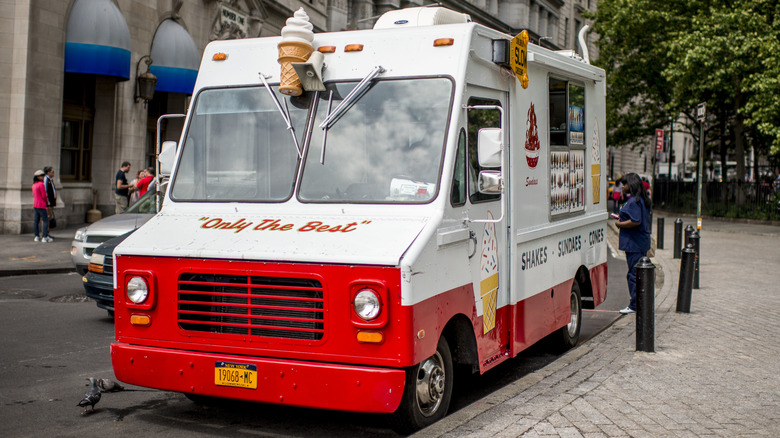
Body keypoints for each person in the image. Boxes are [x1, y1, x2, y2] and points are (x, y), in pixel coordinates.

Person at [614, 173, 651, 314]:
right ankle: (641, 302)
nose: (622, 186)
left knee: (634, 274)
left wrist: (620, 223)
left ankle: (635, 304)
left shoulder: (634, 201)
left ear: (632, 184)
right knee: (639, 273)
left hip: (634, 243)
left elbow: (636, 220)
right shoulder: (642, 199)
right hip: (640, 242)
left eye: (625, 184)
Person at [32, 170, 52, 242]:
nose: (43, 177)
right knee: (45, 221)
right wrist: (47, 202)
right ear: (38, 177)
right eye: (42, 176)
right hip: (42, 205)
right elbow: (44, 195)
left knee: (36, 221)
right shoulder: (41, 184)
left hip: (35, 204)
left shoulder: (34, 185)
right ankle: (44, 236)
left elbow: (33, 195)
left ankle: (36, 236)